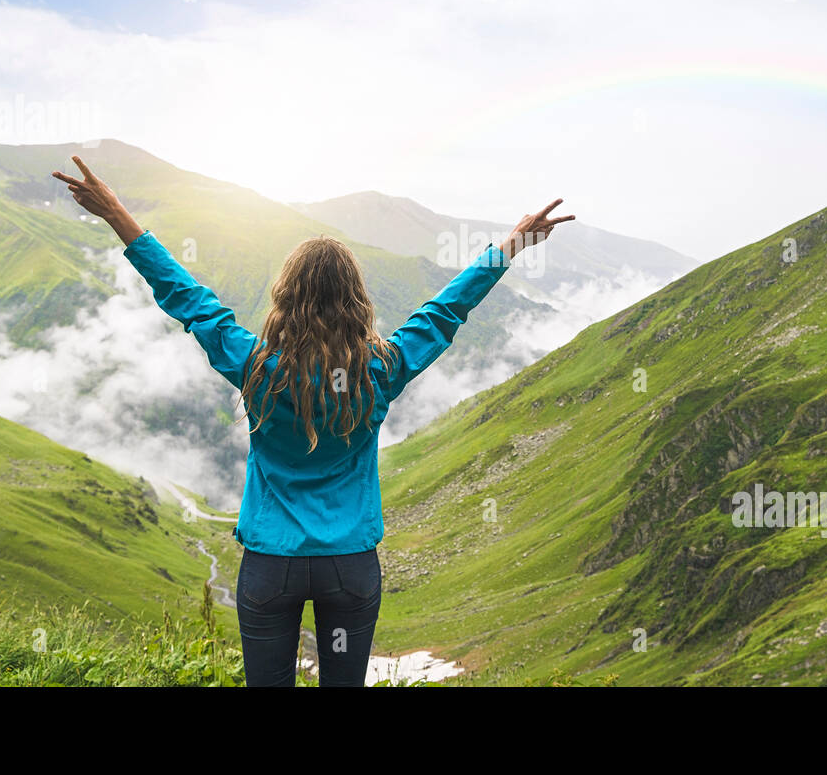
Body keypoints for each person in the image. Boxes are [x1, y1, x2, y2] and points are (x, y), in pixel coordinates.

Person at [51, 154, 574, 686]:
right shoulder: (381, 371)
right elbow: (443, 312)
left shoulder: (257, 368)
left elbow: (190, 300)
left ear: (285, 296)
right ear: (357, 301)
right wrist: (511, 246)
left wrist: (117, 214)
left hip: (269, 564)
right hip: (348, 565)